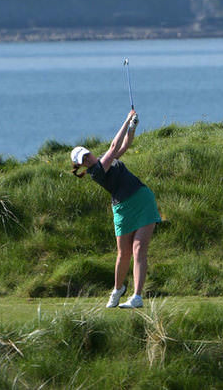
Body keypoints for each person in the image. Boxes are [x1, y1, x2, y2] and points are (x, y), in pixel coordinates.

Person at [70, 109, 161, 309]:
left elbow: (125, 144)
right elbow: (113, 146)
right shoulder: (96, 171)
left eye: (87, 155)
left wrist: (132, 126)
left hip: (142, 200)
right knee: (123, 254)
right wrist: (126, 119)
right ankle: (117, 289)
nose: (88, 159)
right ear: (81, 166)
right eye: (83, 160)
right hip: (122, 209)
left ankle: (137, 297)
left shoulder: (103, 160)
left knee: (139, 250)